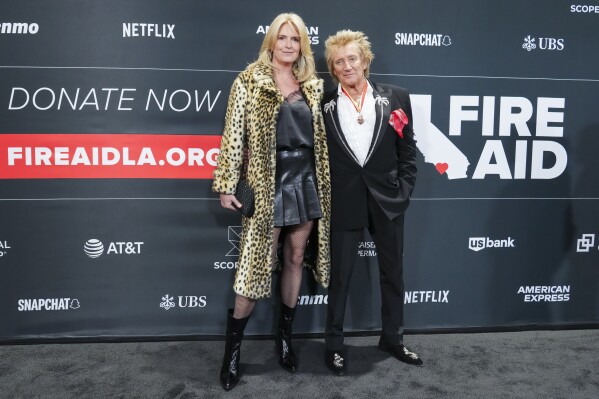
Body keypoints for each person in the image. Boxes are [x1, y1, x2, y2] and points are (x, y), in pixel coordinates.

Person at [212, 13, 331, 391]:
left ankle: (284, 339)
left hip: (306, 178)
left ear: (302, 45)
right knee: (254, 265)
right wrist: (227, 183)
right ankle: (232, 353)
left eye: (295, 39)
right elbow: (233, 135)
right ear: (270, 42)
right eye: (282, 38)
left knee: (295, 256)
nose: (288, 45)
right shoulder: (249, 80)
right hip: (267, 181)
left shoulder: (312, 85)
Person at [321, 30, 422, 376]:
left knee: (393, 274)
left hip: (388, 200)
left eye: (352, 58)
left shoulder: (396, 97)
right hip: (343, 201)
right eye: (339, 61)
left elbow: (407, 152)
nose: (347, 66)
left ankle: (392, 339)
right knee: (341, 278)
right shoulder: (323, 103)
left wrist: (404, 190)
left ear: (365, 60)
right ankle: (334, 345)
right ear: (333, 69)